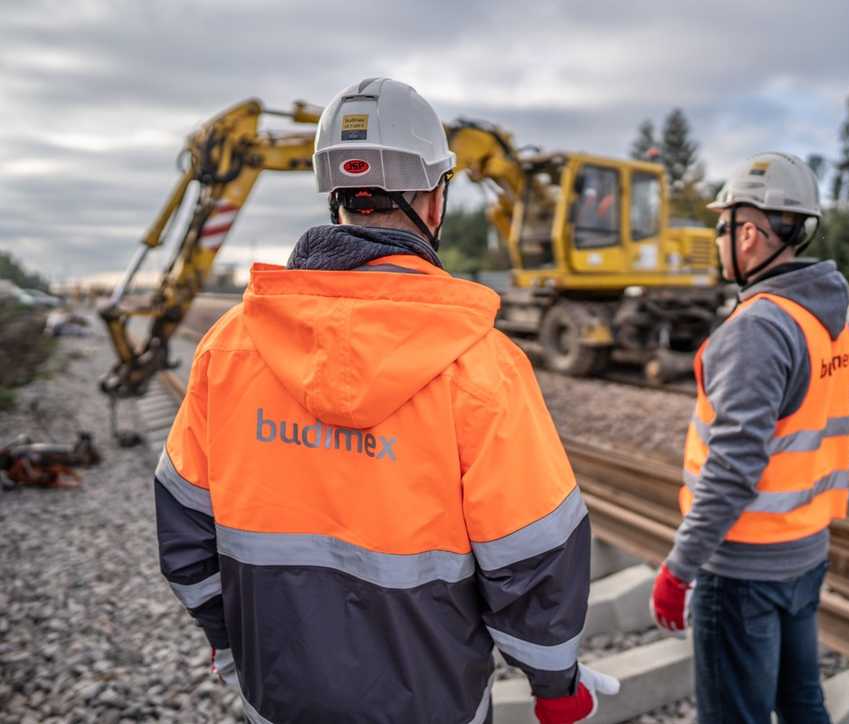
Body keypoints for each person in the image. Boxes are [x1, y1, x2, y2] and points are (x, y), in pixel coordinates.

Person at [153, 78, 617, 724]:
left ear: (335, 197)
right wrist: (555, 683)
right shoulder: (484, 364)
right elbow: (533, 557)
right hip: (434, 703)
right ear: (435, 201)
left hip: (279, 697)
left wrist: (227, 636)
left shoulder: (228, 348)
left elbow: (182, 532)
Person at [650, 153, 849, 724]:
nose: (717, 243)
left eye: (720, 228)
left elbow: (734, 467)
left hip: (743, 567)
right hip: (805, 547)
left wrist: (679, 568)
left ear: (747, 232)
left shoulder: (760, 327)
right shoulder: (824, 315)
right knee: (802, 703)